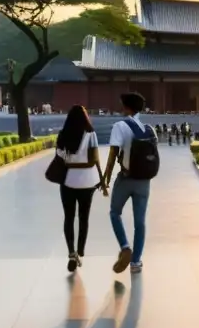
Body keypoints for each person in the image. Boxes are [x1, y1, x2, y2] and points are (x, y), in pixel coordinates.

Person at [103, 92, 158, 275]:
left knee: (114, 212)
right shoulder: (150, 129)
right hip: (144, 182)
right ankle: (136, 263)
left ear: (126, 107)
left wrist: (106, 178)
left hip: (126, 178)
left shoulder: (120, 126)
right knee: (140, 222)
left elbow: (113, 154)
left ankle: (125, 246)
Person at [55, 105, 104, 273]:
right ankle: (80, 251)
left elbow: (60, 158)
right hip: (87, 182)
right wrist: (102, 179)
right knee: (84, 217)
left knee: (69, 217)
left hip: (67, 181)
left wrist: (71, 163)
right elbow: (94, 160)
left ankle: (71, 252)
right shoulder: (91, 135)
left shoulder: (63, 135)